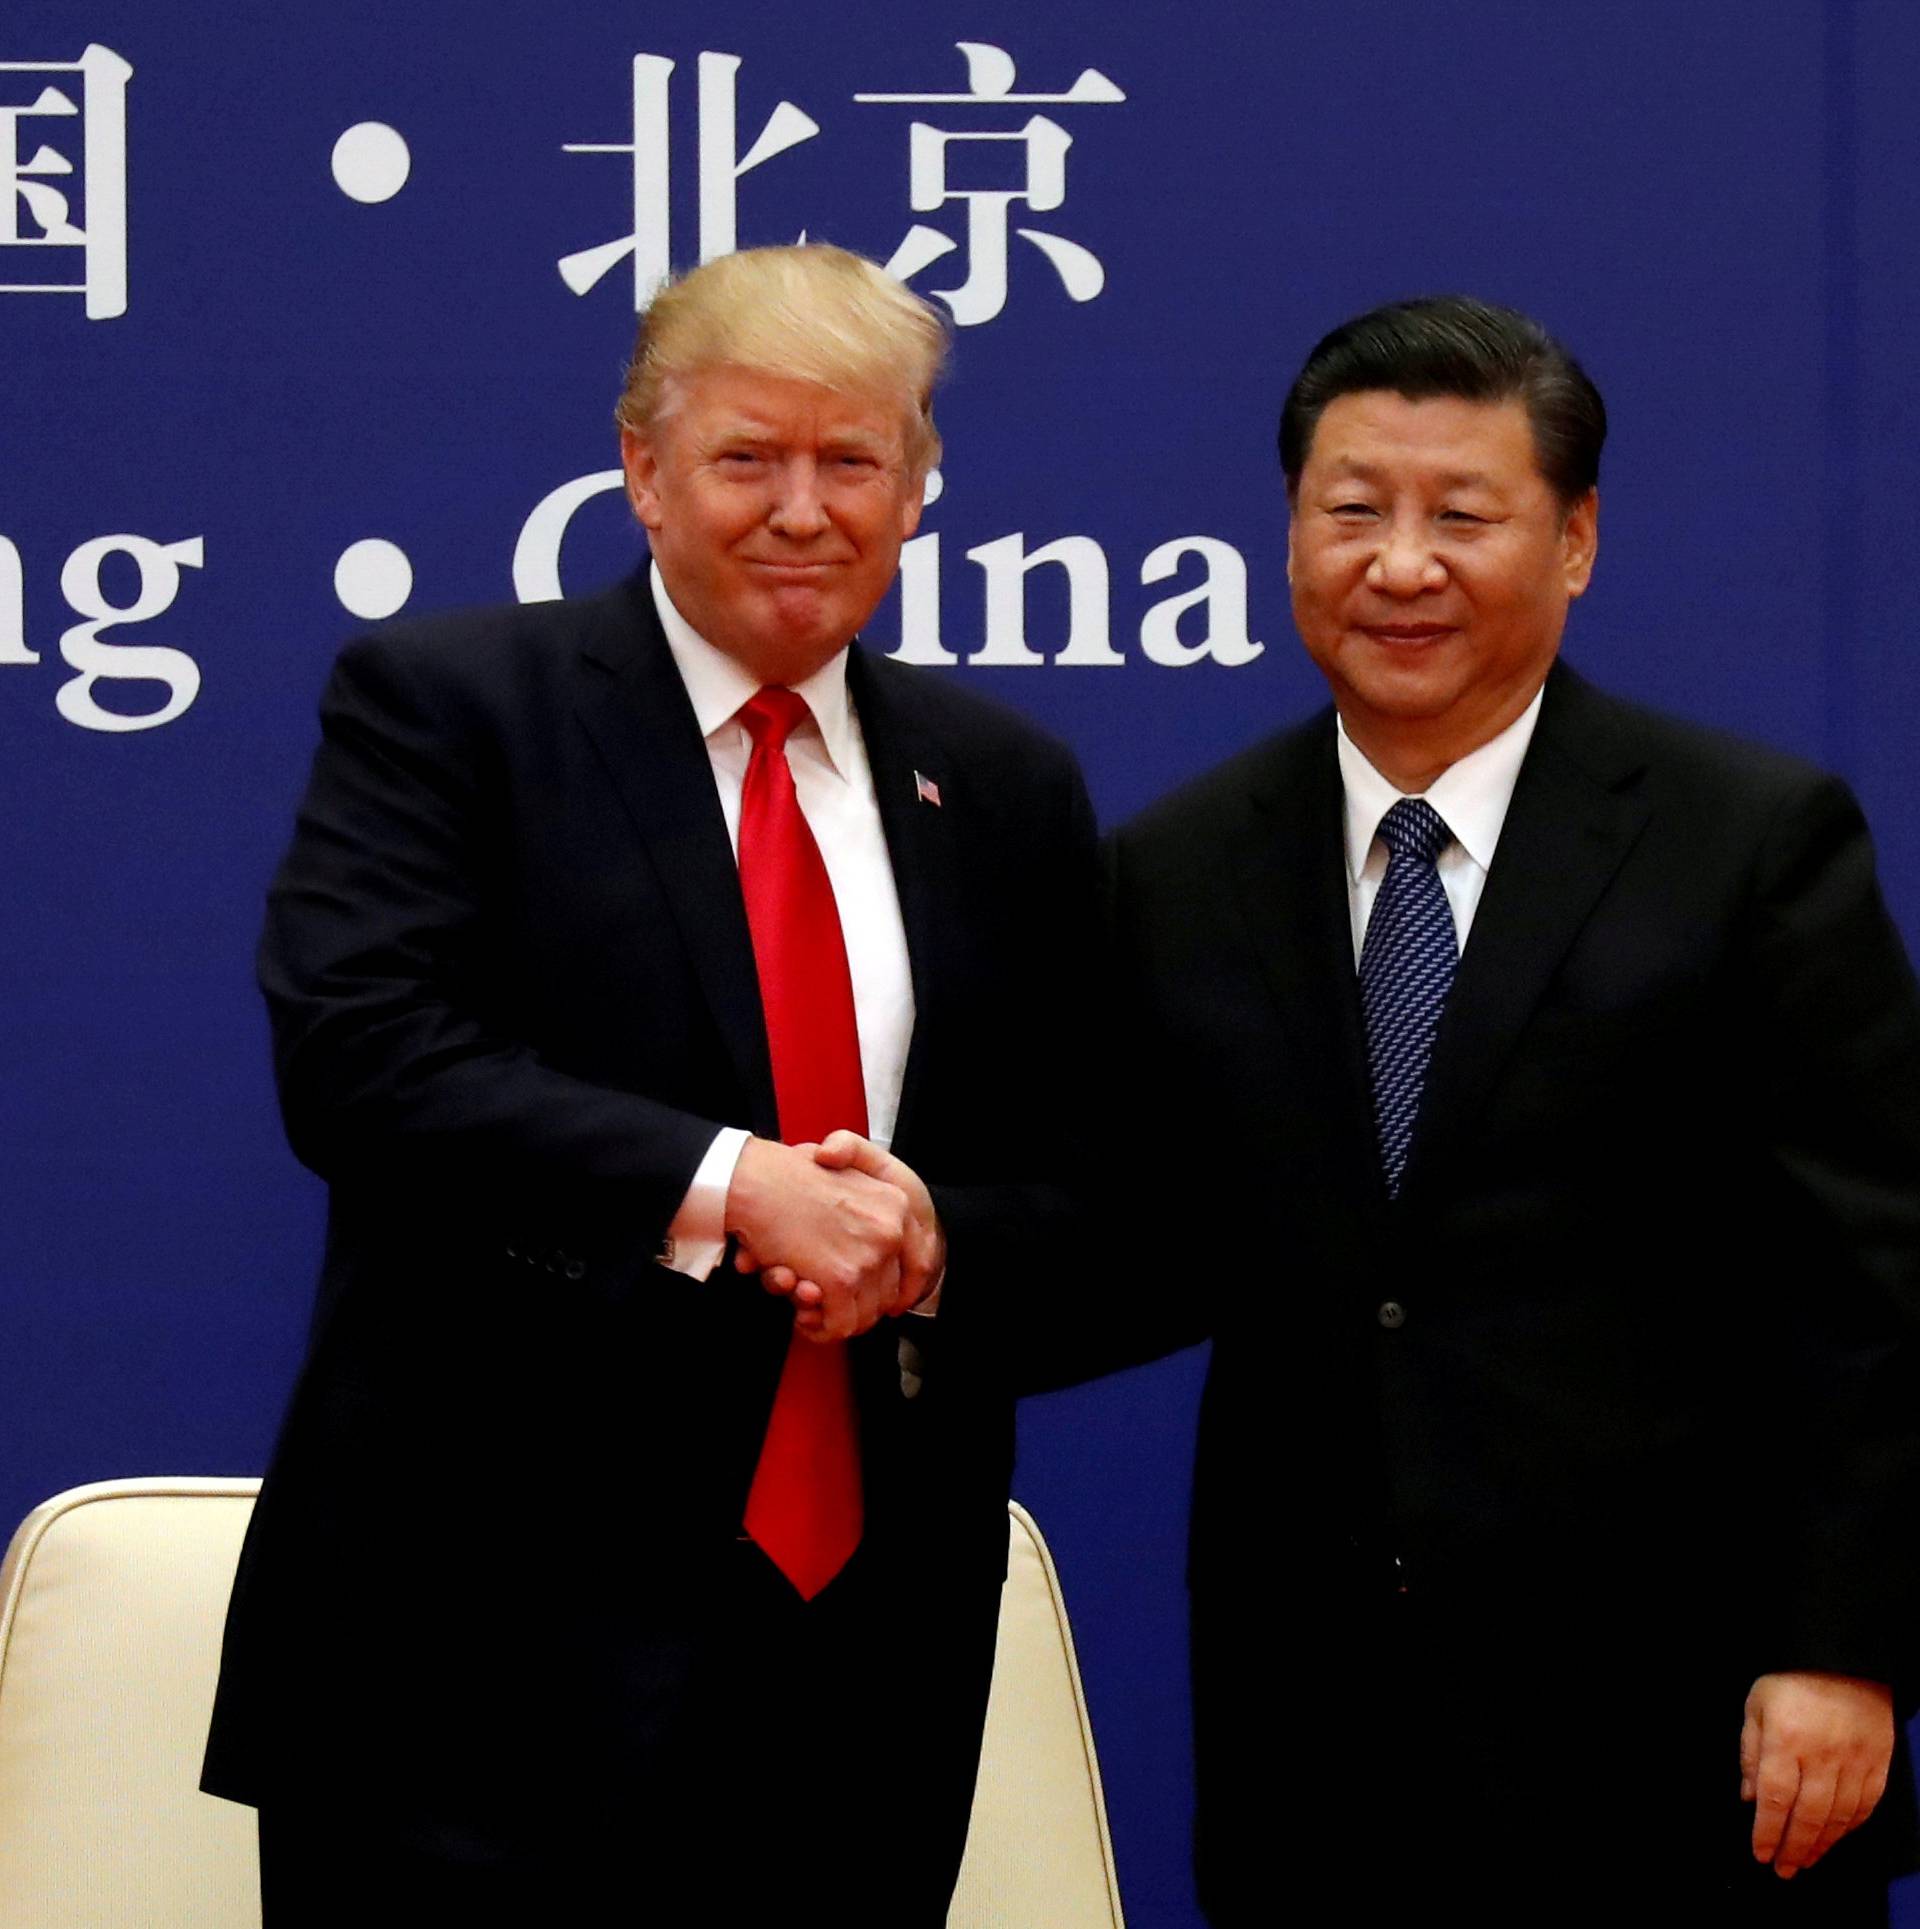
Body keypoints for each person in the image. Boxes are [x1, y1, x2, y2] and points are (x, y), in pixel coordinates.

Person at [201, 243, 1094, 1925]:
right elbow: (361, 1059)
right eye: (748, 456)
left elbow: (1086, 1170)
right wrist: (731, 1185)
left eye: (854, 462)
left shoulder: (1002, 785)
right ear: (642, 468)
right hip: (476, 1653)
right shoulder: (455, 708)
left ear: (919, 490)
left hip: (859, 1663)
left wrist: (928, 1234)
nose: (803, 509)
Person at [1101, 296, 1920, 1924]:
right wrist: (898, 1244)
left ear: (1576, 539)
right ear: (1291, 533)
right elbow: (1128, 1234)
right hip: (1313, 1736)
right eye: (1353, 512)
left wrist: (1845, 1648)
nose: (1401, 565)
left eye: (1461, 515)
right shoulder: (1181, 865)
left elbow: (1877, 1274)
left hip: (1682, 1727)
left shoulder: (1748, 841)